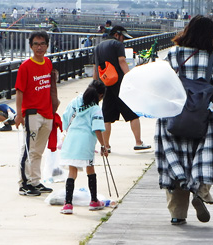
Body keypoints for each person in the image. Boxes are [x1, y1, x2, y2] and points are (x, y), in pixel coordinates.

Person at [155, 15, 213, 225]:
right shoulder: (212, 59)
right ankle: (200, 192)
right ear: (208, 36)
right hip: (202, 117)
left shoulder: (172, 54)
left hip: (172, 116)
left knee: (176, 160)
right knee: (203, 157)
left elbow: (161, 84)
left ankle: (177, 214)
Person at [93, 26, 151, 152]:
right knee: (133, 114)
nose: (123, 40)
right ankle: (138, 142)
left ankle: (106, 146)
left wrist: (95, 84)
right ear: (117, 35)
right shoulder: (117, 45)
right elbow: (122, 61)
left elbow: (96, 67)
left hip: (106, 85)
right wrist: (130, 77)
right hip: (120, 84)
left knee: (106, 117)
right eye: (123, 37)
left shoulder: (98, 47)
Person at [14, 30, 55, 197]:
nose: (40, 47)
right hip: (32, 113)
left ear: (47, 46)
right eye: (36, 44)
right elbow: (19, 91)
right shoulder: (25, 67)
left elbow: (51, 86)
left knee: (38, 150)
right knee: (28, 150)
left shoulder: (48, 63)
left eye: (42, 44)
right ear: (31, 46)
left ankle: (35, 181)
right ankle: (24, 183)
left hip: (47, 113)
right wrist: (18, 114)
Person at [60, 80, 107, 215]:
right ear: (100, 95)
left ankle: (68, 204)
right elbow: (97, 129)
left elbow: (65, 117)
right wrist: (103, 146)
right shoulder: (95, 108)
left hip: (71, 139)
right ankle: (93, 200)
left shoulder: (75, 101)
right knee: (90, 168)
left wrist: (65, 132)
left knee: (72, 171)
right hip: (86, 141)